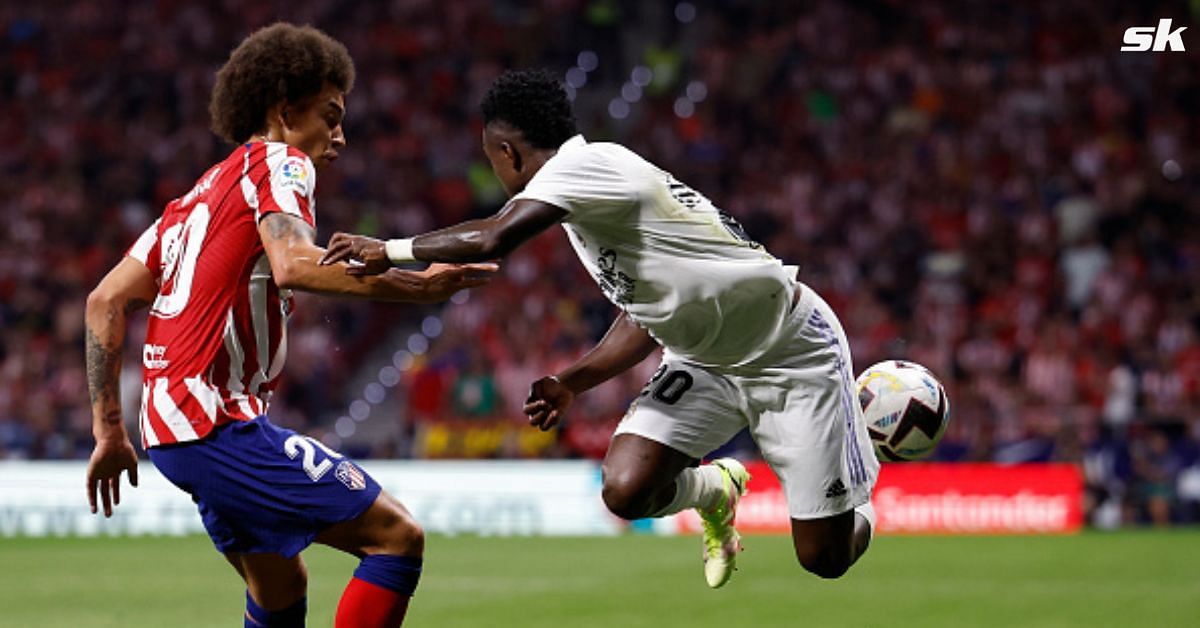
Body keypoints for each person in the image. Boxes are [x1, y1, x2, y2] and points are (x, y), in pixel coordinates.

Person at [320, 69, 879, 588]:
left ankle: (871, 451)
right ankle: (715, 488)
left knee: (823, 558)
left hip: (790, 352)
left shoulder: (584, 169)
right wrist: (571, 382)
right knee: (626, 488)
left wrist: (388, 249)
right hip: (704, 359)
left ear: (507, 152)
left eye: (491, 157)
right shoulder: (591, 199)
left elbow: (493, 237)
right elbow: (646, 314)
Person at [84, 23, 495, 627]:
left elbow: (103, 301)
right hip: (212, 424)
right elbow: (295, 264)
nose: (340, 136)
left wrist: (109, 433)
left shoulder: (196, 197)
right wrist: (419, 284)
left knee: (279, 589)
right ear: (284, 110)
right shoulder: (282, 163)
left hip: (174, 428)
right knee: (397, 538)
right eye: (330, 116)